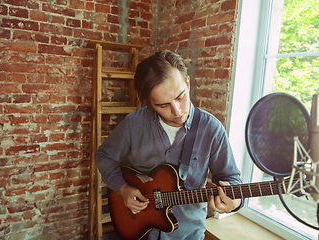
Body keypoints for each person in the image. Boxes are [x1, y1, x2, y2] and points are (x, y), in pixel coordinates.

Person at [94, 50, 243, 240]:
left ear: (187, 83)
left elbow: (230, 177)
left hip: (188, 234)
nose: (177, 110)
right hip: (138, 231)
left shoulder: (212, 129)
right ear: (149, 103)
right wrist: (123, 188)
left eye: (180, 96)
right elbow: (103, 156)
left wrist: (236, 201)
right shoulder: (134, 124)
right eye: (163, 105)